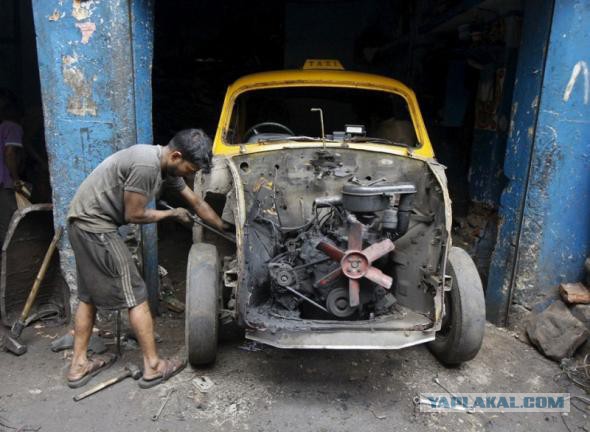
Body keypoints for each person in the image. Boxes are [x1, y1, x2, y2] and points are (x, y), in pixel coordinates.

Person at [66, 129, 227, 389]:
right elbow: (134, 215)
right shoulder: (145, 165)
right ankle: (153, 366)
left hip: (82, 223)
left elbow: (196, 203)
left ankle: (78, 365)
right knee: (137, 293)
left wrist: (225, 228)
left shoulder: (167, 168)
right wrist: (173, 214)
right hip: (95, 227)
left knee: (88, 297)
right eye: (190, 168)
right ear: (176, 155)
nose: (189, 174)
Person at [0, 90, 24, 248]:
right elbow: (9, 152)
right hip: (5, 184)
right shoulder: (12, 127)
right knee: (10, 227)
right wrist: (15, 178)